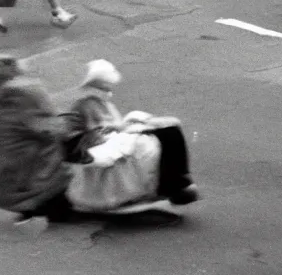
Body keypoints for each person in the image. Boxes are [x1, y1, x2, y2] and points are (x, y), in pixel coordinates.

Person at [64, 60, 199, 213]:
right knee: (166, 134)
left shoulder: (96, 103)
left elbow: (109, 126)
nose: (108, 92)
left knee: (166, 132)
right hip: (101, 145)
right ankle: (176, 185)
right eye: (104, 87)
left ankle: (176, 184)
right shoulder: (87, 105)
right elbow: (99, 133)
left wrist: (128, 125)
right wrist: (128, 127)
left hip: (107, 140)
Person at [0, 71, 73, 226]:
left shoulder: (5, 103)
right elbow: (41, 128)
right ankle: (46, 211)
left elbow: (32, 126)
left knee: (23, 185)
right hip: (26, 154)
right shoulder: (16, 103)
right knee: (42, 184)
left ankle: (39, 210)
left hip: (18, 154)